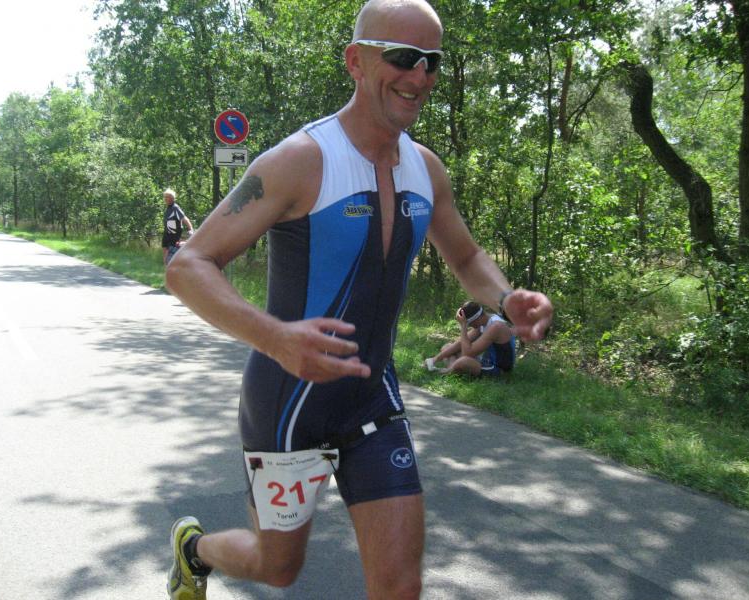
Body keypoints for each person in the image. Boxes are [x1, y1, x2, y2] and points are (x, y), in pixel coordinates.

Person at [164, 1, 553, 598]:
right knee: (277, 566)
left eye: (431, 62)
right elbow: (188, 266)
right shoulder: (300, 161)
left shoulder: (426, 169)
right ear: (355, 61)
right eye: (403, 57)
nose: (419, 76)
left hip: (373, 400)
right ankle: (194, 550)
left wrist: (507, 299)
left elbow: (467, 258)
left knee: (401, 588)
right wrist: (275, 337)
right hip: (289, 402)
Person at [424, 301, 516, 376]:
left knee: (463, 361)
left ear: (477, 319)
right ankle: (453, 370)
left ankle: (445, 372)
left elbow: (467, 353)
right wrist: (434, 359)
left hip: (499, 370)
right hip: (486, 362)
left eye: (469, 324)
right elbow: (460, 343)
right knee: (447, 347)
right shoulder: (483, 322)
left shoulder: (496, 326)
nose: (470, 326)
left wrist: (463, 326)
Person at [161, 188, 195, 265]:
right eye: (165, 197)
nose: (166, 199)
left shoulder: (175, 208)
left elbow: (185, 219)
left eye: (167, 197)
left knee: (170, 259)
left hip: (173, 237)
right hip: (166, 235)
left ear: (172, 198)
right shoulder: (168, 208)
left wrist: (191, 230)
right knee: (165, 258)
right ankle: (167, 271)